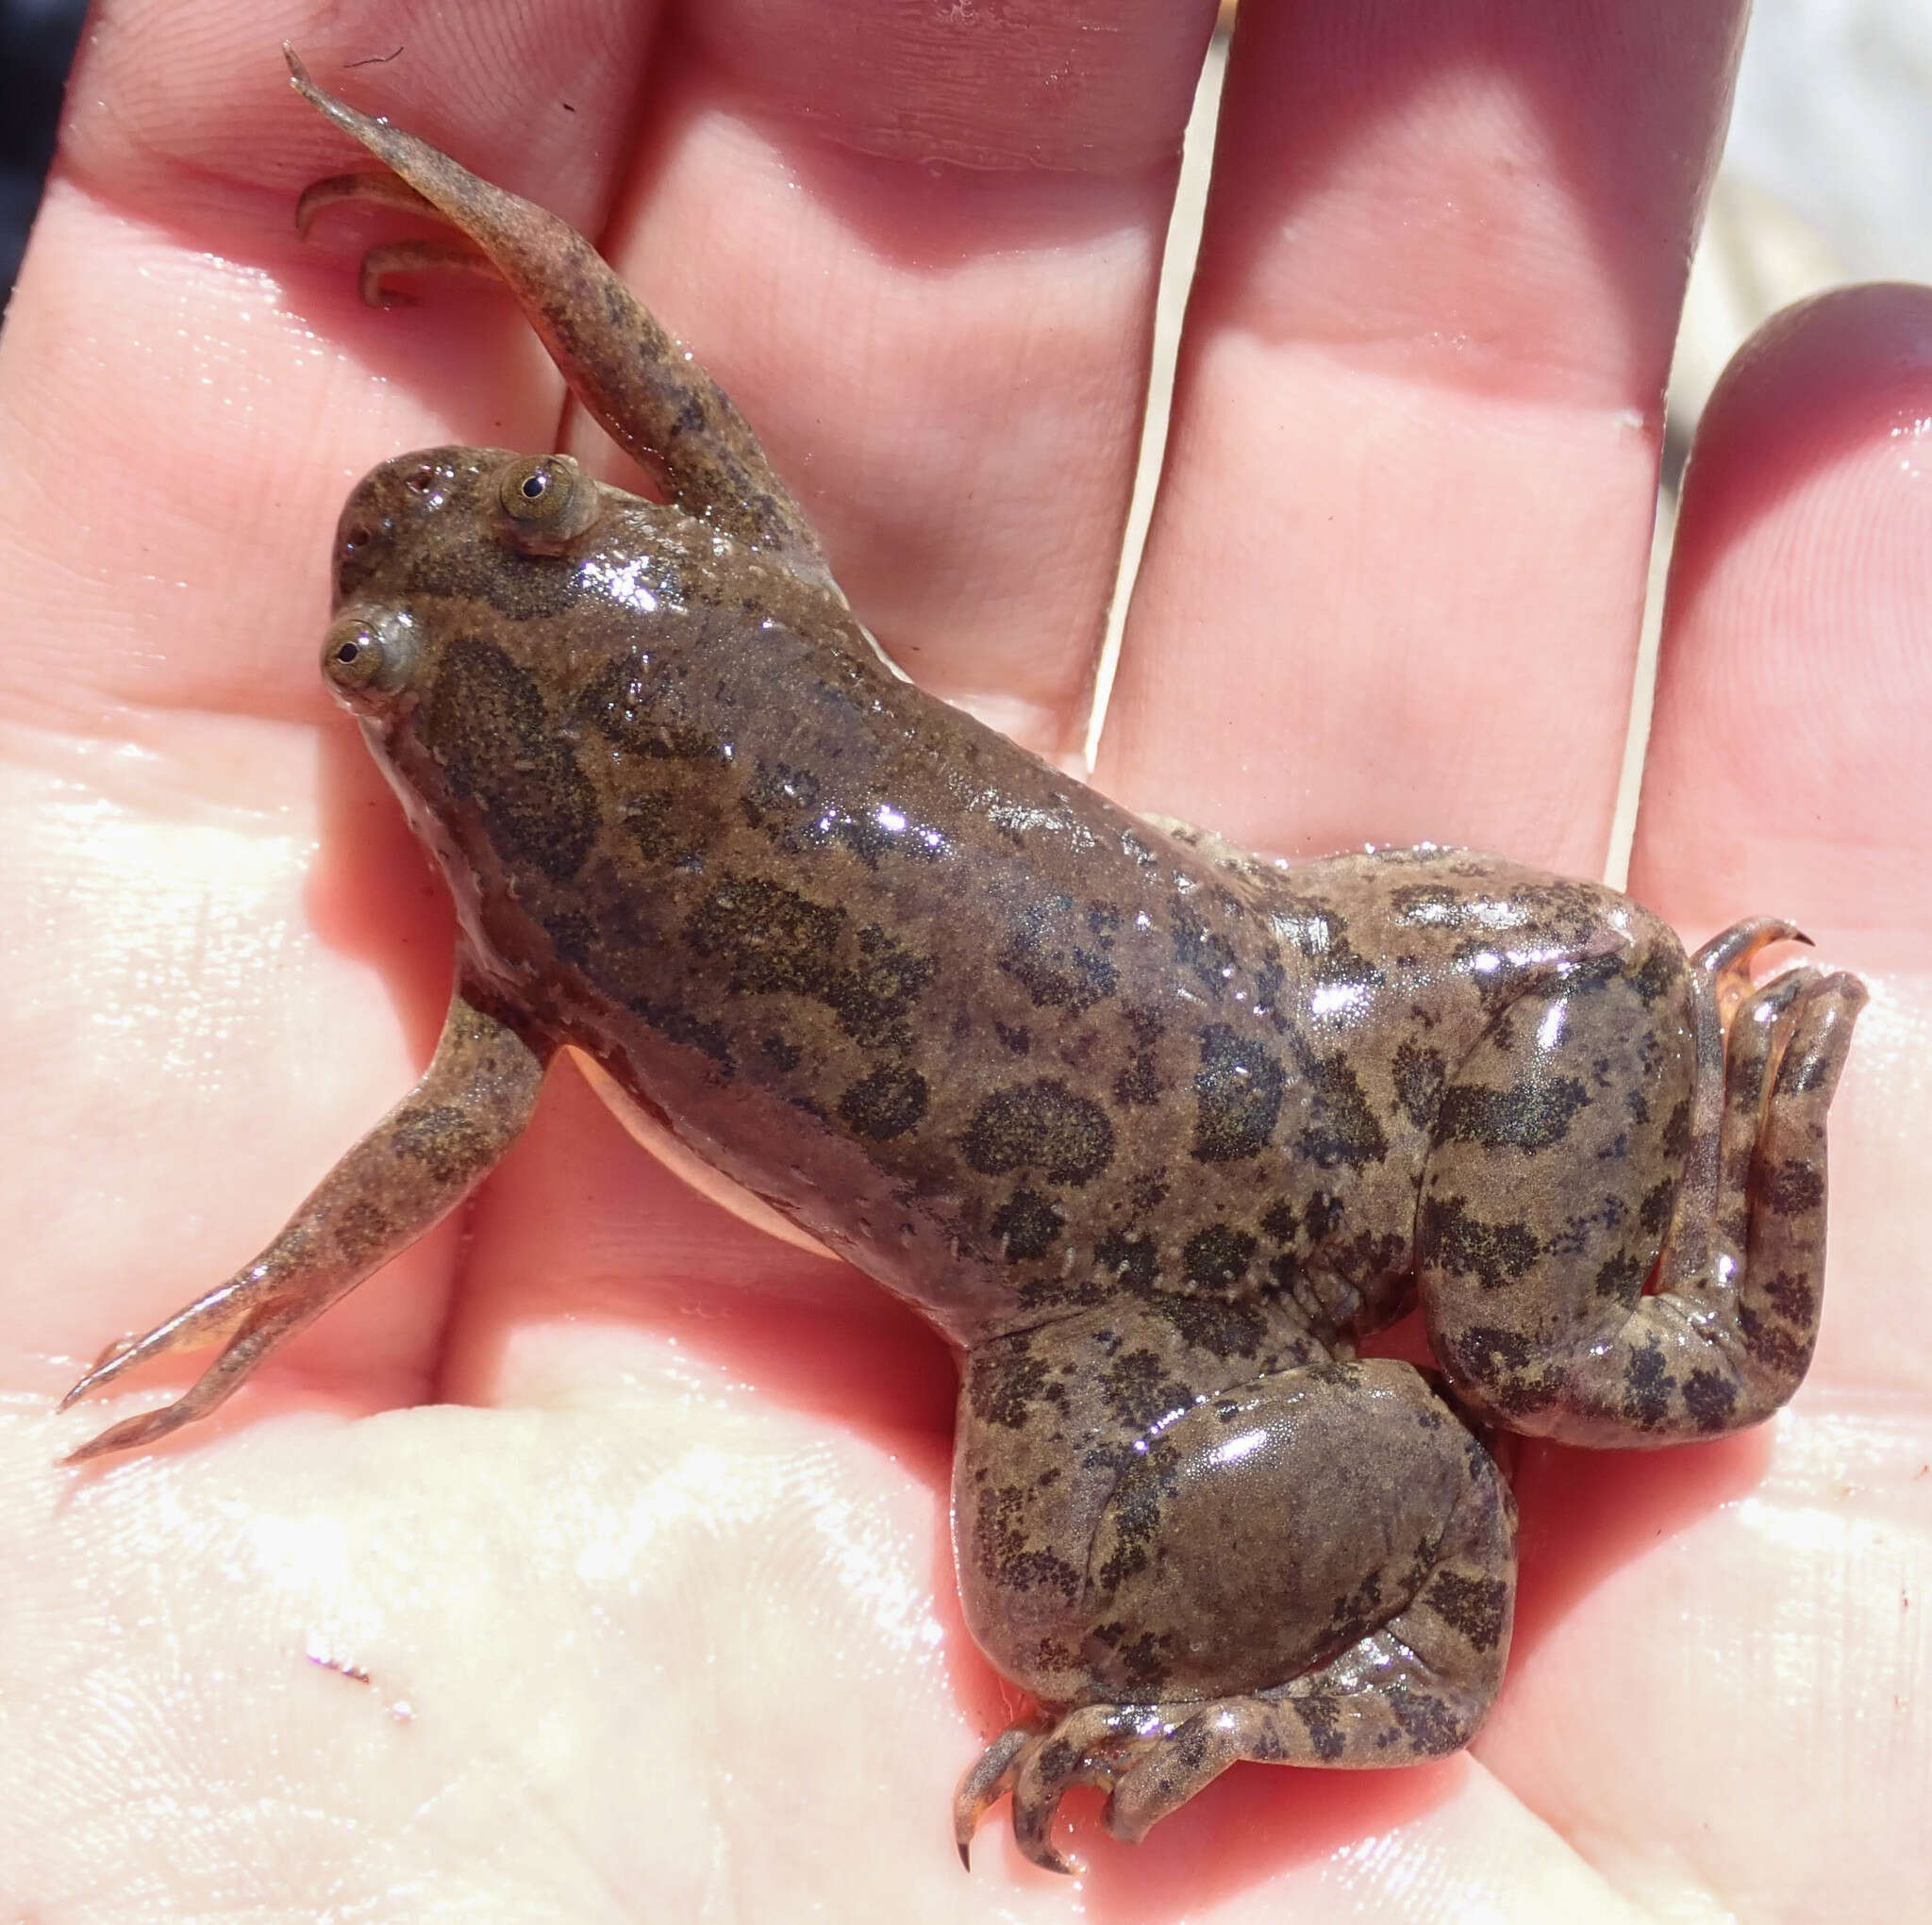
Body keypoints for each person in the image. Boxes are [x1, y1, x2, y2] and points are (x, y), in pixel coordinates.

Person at [0, 1, 1923, 1913]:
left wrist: (258, 1303)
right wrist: (517, 250)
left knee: (1501, 1254)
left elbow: (413, 1161)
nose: (465, 509)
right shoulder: (641, 766)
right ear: (403, 732)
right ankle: (1416, 1621)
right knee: (1084, 1574)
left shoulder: (538, 954)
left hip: (1261, 1082)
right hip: (1217, 1165)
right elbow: (661, 392)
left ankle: (1680, 1359)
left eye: (528, 505)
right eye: (381, 668)